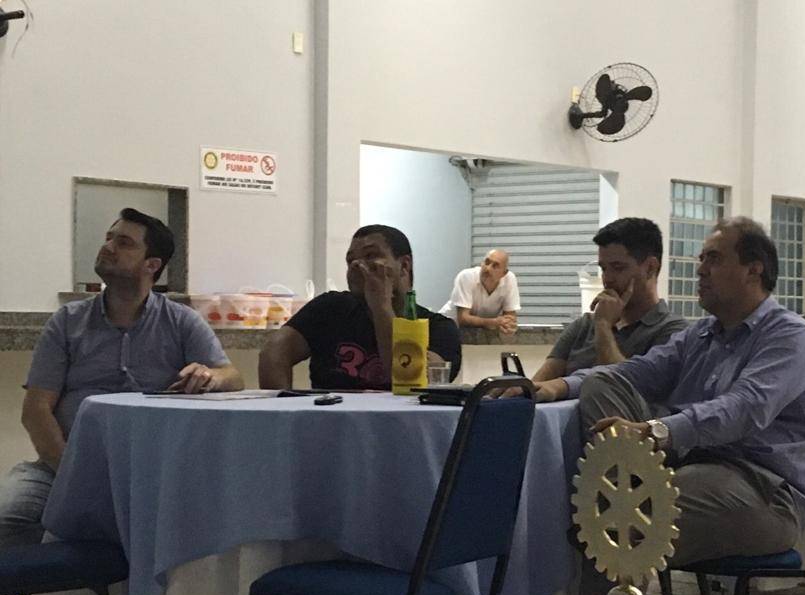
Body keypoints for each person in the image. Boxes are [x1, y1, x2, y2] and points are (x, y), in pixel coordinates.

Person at [531, 216, 805, 595]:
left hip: (764, 490)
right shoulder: (701, 334)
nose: (700, 269)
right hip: (687, 470)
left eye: (714, 259)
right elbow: (631, 373)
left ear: (753, 270)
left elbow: (743, 408)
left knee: (618, 516)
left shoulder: (790, 337)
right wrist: (550, 388)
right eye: (701, 259)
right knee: (602, 384)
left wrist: (655, 432)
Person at [0, 208, 244, 547]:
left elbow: (233, 377)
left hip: (150, 468)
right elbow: (35, 411)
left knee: (195, 516)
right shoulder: (68, 321)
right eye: (109, 238)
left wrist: (210, 376)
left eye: (124, 242)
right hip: (62, 463)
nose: (108, 247)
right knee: (9, 516)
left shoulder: (181, 321)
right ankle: (55, 580)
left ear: (152, 265)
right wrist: (74, 474)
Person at [259, 224, 461, 390]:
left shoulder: (440, 328)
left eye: (371, 256)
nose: (357, 264)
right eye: (350, 260)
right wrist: (282, 409)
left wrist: (381, 307)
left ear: (404, 266)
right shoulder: (329, 309)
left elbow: (410, 377)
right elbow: (274, 351)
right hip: (333, 421)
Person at [532, 217, 687, 381]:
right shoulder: (583, 326)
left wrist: (604, 327)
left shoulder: (673, 332)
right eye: (604, 269)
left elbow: (620, 387)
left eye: (618, 268)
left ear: (650, 268)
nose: (608, 279)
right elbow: (539, 384)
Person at [441, 249, 520, 333]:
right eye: (487, 262)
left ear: (504, 273)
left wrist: (508, 325)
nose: (488, 268)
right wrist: (493, 322)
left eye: (495, 266)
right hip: (446, 326)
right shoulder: (466, 276)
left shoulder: (510, 279)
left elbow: (510, 316)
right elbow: (463, 318)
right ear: (481, 263)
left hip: (476, 331)